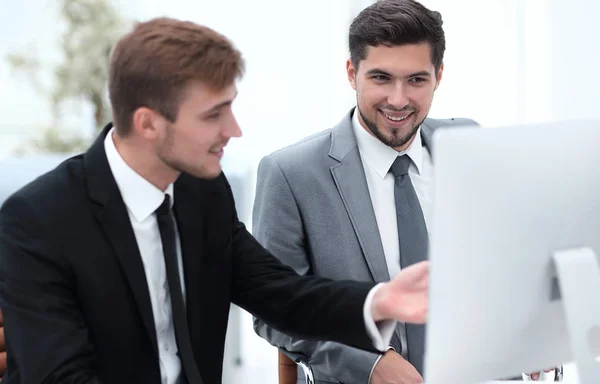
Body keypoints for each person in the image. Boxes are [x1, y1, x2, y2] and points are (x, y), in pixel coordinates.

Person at [0, 17, 429, 384]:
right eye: (213, 115)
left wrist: (380, 301)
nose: (234, 129)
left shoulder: (202, 192)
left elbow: (281, 294)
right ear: (148, 123)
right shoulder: (36, 222)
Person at [252, 1, 557, 383]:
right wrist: (371, 364)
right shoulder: (291, 173)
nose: (398, 100)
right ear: (352, 73)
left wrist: (531, 335)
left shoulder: (468, 142)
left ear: (439, 75)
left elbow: (509, 262)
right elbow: (272, 310)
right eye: (381, 78)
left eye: (416, 80)